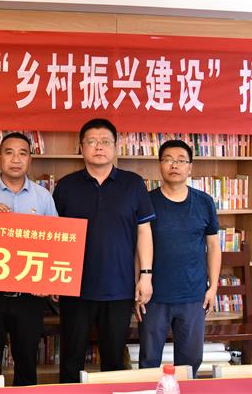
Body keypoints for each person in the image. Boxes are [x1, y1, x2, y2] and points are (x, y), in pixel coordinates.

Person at [53, 118, 155, 383]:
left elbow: (144, 232)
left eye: (105, 141)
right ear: (81, 147)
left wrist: (146, 275)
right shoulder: (66, 186)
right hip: (75, 288)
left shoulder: (133, 184)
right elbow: (54, 234)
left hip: (119, 288)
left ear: (116, 147)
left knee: (113, 361)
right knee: (71, 358)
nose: (99, 146)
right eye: (92, 141)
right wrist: (53, 278)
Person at [0, 132, 58, 386]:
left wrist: (50, 282)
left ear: (29, 160)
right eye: (9, 153)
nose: (16, 159)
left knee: (26, 362)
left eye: (22, 153)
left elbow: (55, 244)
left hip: (29, 296)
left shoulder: (43, 197)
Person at [138, 139, 221, 375]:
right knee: (148, 360)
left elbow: (213, 246)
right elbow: (138, 246)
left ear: (190, 167)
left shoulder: (204, 202)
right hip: (154, 296)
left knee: (190, 361)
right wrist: (139, 284)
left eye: (181, 160)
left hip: (193, 296)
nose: (174, 165)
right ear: (159, 165)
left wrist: (213, 288)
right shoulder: (147, 201)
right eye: (168, 160)